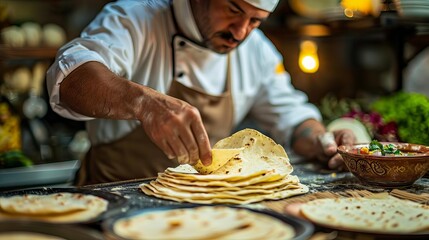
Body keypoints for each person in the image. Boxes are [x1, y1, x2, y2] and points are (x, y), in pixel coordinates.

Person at [46, 0, 356, 185]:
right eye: (233, 9)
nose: (240, 32)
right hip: (112, 200)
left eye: (255, 21)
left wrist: (320, 139)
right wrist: (143, 103)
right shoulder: (136, 17)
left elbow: (292, 119)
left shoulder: (257, 51)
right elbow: (69, 78)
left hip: (201, 212)